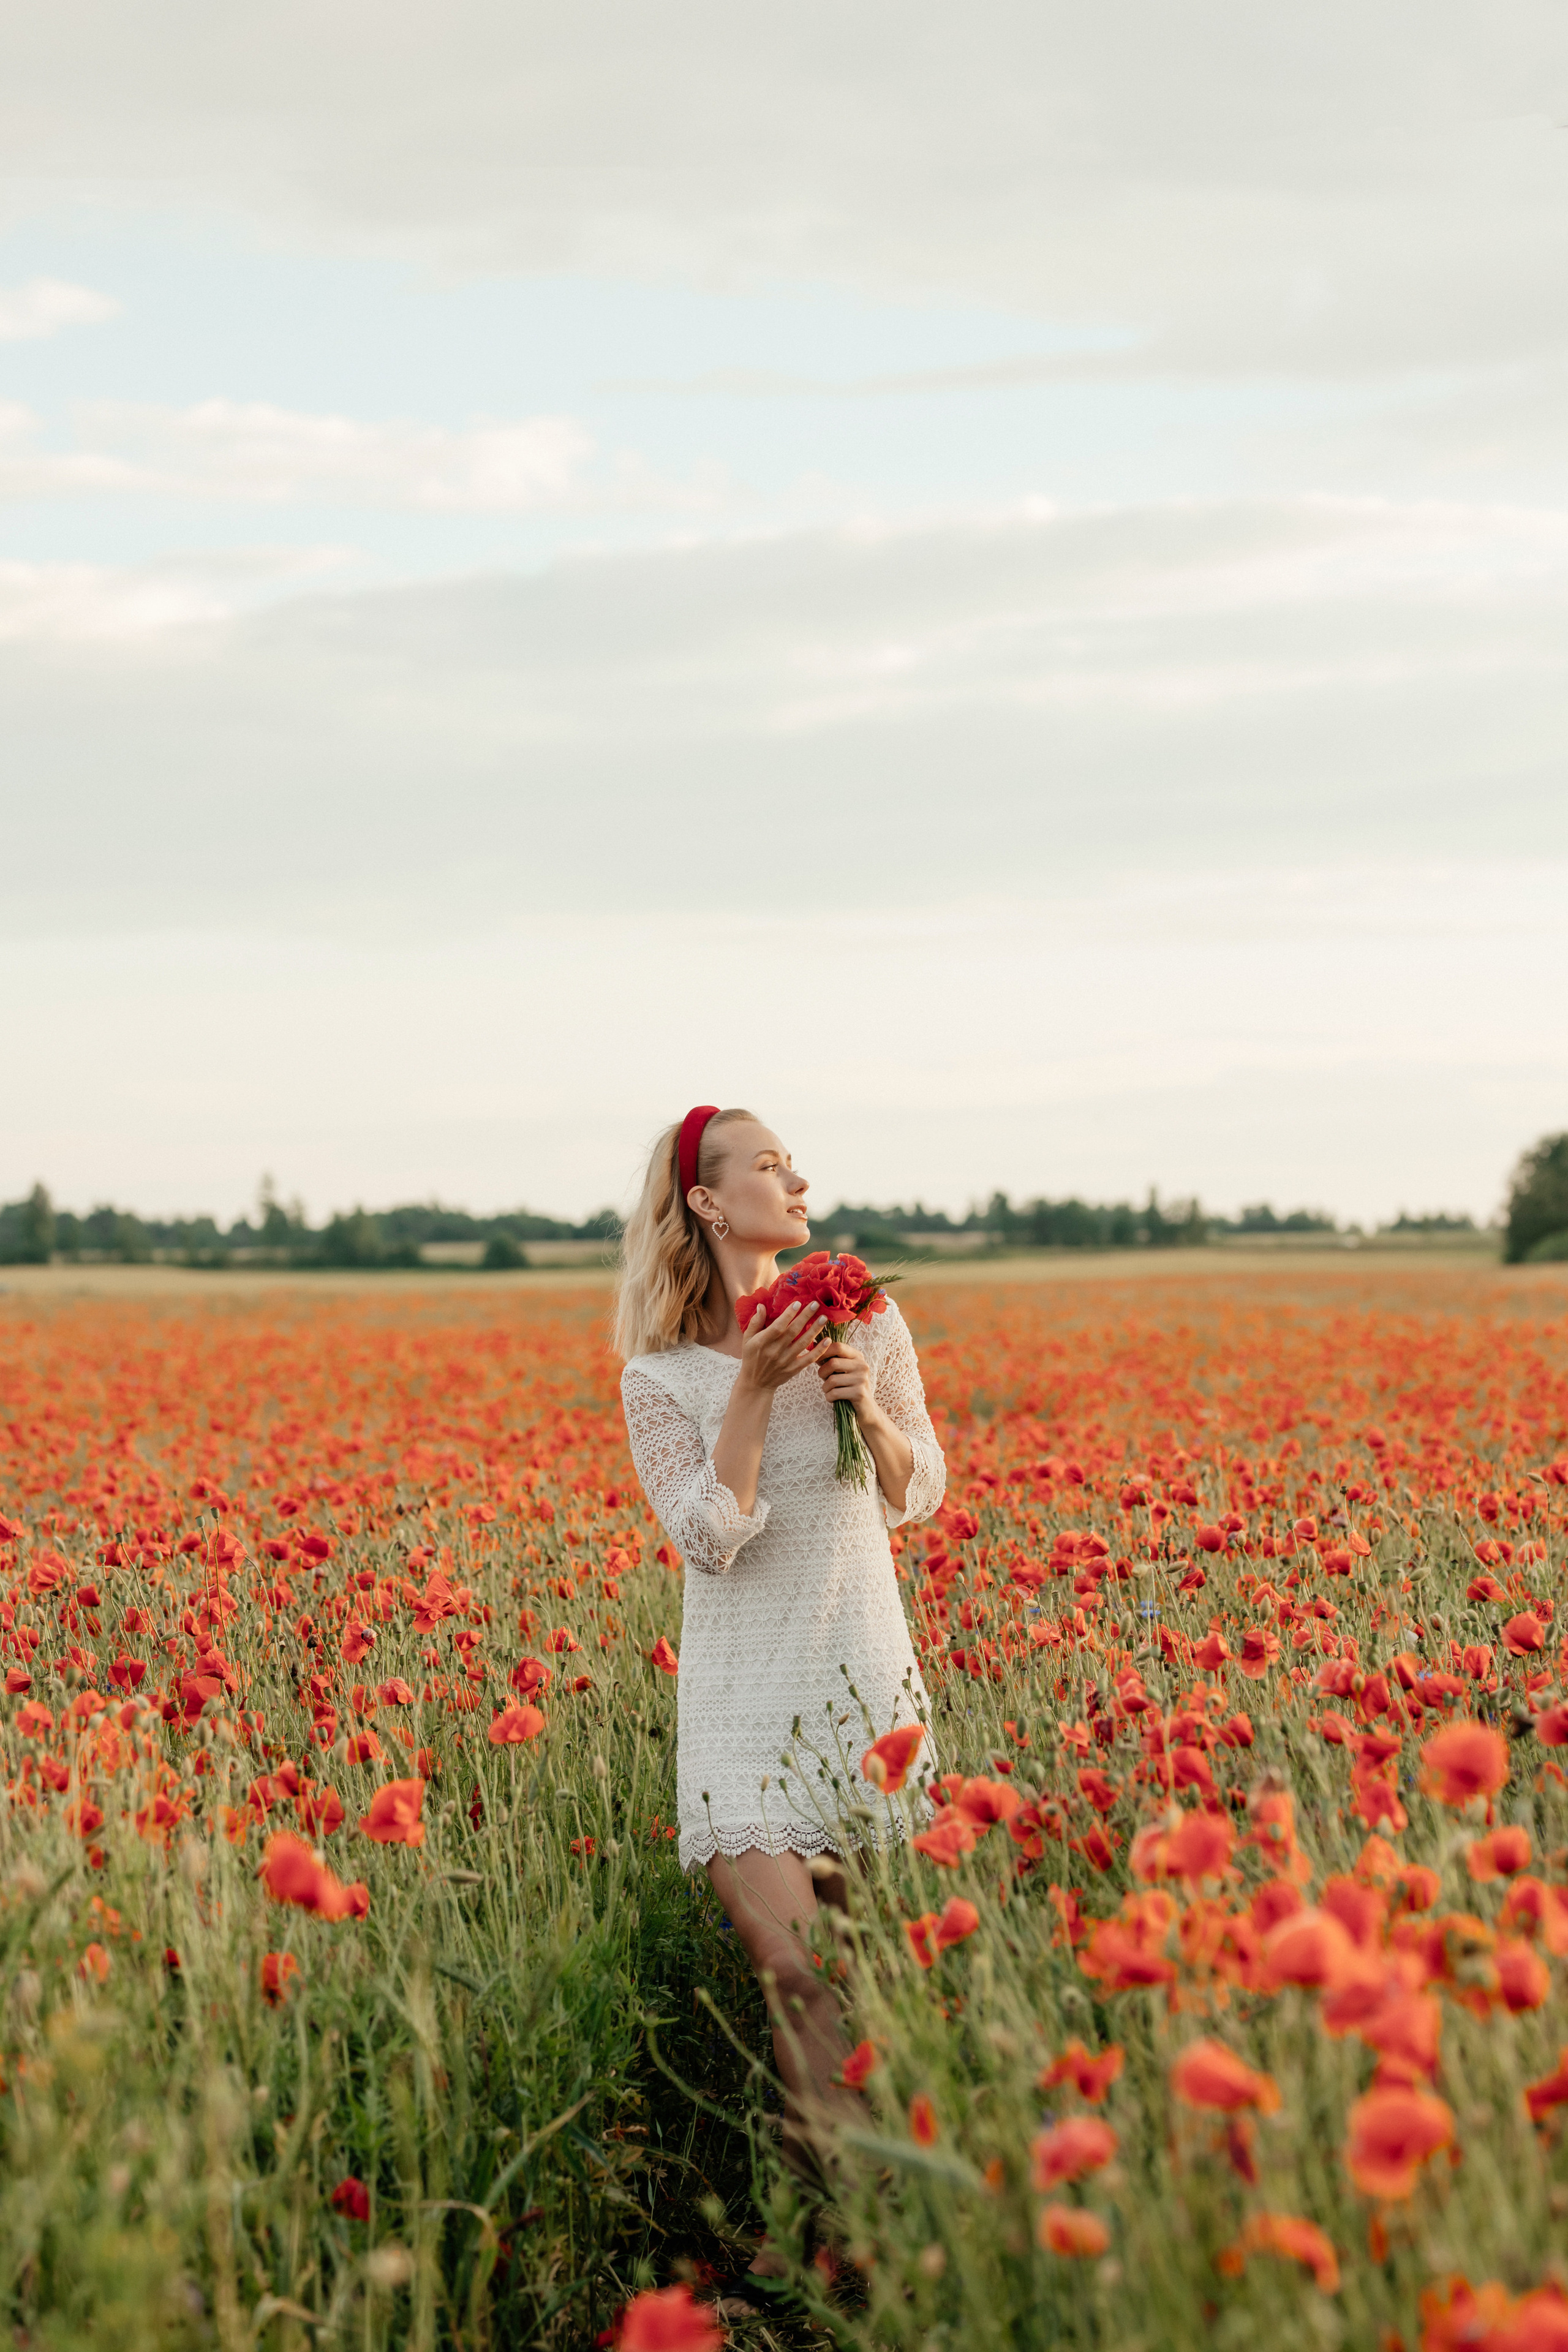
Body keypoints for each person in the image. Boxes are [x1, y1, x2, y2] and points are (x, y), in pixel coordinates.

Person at [616, 1104, 945, 2271]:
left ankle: (796, 2244)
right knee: (798, 1974)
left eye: (793, 1164)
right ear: (707, 1202)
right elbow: (711, 1538)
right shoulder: (659, 1379)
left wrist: (865, 1405)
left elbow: (919, 1489)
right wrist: (754, 1390)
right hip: (742, 1710)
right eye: (769, 1166)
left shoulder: (869, 1319)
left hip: (862, 1687)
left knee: (842, 1984)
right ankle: (865, 2229)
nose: (798, 1181)